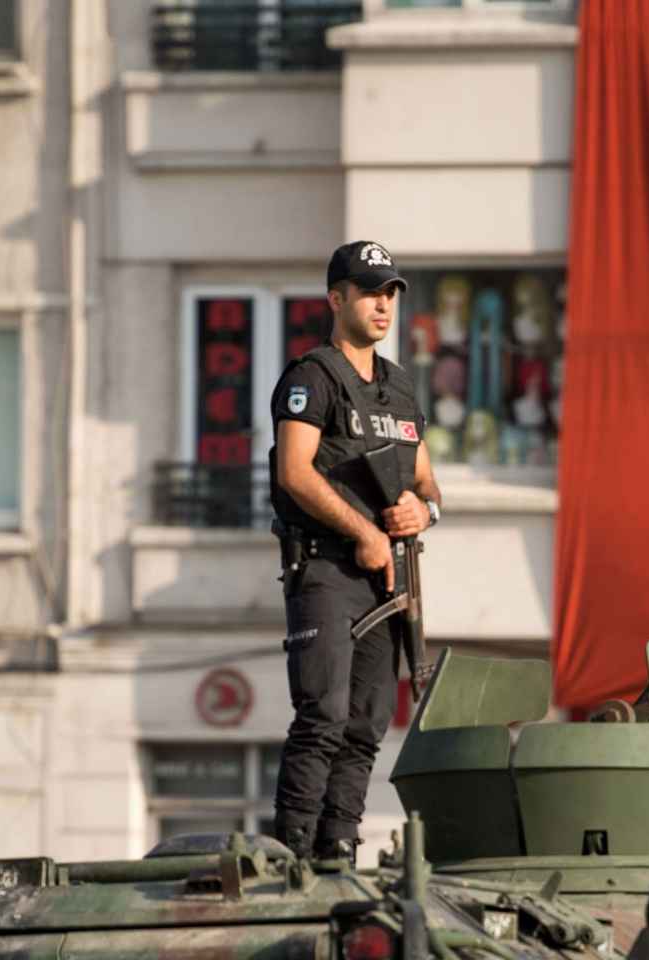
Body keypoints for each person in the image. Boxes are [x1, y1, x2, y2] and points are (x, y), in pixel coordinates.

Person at [267, 240, 443, 863]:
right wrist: (365, 532)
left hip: (386, 580)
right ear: (336, 298)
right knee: (324, 716)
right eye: (370, 291)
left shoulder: (398, 389)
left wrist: (425, 511)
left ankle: (337, 848)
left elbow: (426, 482)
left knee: (367, 725)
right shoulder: (311, 378)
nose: (383, 304)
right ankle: (289, 853)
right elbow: (294, 471)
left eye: (390, 292)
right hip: (326, 568)